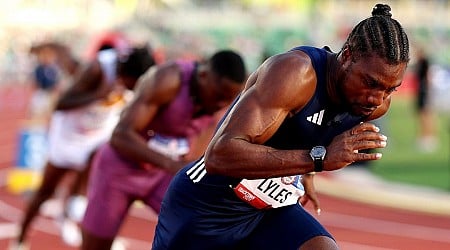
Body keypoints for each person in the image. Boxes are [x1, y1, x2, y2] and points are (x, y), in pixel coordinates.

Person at [153, 4, 409, 250]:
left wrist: (306, 172)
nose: (377, 98)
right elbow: (220, 156)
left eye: (390, 89)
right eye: (370, 83)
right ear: (348, 55)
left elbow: (311, 130)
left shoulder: (374, 105)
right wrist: (317, 159)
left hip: (268, 212)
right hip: (208, 205)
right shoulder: (295, 73)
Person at [80, 49, 247, 250]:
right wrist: (171, 163)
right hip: (121, 168)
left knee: (197, 228)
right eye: (219, 96)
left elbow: (199, 151)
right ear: (203, 76)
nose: (222, 104)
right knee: (96, 245)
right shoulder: (167, 79)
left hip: (162, 176)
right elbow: (120, 135)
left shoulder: (221, 103)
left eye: (228, 99)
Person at [13, 45, 156, 249]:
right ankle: (20, 240)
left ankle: (77, 214)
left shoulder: (140, 80)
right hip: (68, 134)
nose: (132, 90)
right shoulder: (98, 69)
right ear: (126, 74)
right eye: (131, 85)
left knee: (101, 171)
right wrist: (99, 94)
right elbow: (61, 103)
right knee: (46, 190)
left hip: (97, 134)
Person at [414, 47, 436, 152]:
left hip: (424, 91)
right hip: (421, 91)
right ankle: (425, 137)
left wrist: (427, 91)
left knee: (426, 115)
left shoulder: (424, 62)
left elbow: (428, 77)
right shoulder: (419, 63)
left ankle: (428, 137)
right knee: (422, 115)